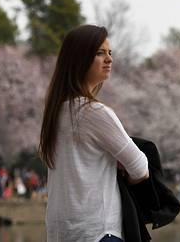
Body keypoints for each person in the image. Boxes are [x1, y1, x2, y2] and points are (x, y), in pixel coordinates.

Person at [39, 24, 149, 242]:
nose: (109, 59)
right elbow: (140, 168)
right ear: (79, 59)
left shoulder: (55, 112)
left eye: (110, 52)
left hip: (61, 233)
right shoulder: (95, 112)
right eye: (100, 53)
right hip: (98, 231)